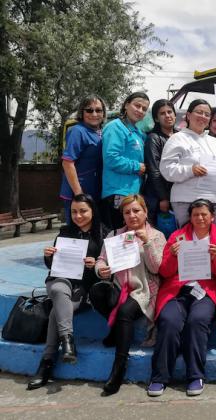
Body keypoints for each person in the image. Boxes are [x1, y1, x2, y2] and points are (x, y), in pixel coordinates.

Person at [147, 199, 216, 397]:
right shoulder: (177, 237)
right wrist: (173, 256)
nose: (200, 218)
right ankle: (160, 377)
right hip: (178, 290)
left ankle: (195, 376)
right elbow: (165, 272)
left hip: (207, 291)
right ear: (190, 218)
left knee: (197, 320)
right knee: (169, 321)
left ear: (212, 217)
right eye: (195, 215)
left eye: (204, 214)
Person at [27, 194, 109, 390]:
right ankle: (67, 341)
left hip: (82, 288)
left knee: (58, 310)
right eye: (74, 211)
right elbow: (53, 265)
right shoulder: (64, 232)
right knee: (57, 288)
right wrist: (48, 256)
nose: (78, 216)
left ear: (92, 211)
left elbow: (106, 269)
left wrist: (95, 264)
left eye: (83, 211)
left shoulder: (103, 234)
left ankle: (46, 363)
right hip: (61, 280)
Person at [90, 194, 165, 395]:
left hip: (143, 290)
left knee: (125, 311)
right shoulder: (114, 235)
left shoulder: (157, 236)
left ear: (145, 212)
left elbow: (158, 268)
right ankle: (116, 330)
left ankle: (119, 368)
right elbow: (100, 260)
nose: (132, 215)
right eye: (127, 212)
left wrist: (147, 242)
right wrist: (102, 269)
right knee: (97, 292)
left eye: (136, 210)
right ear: (122, 215)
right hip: (118, 288)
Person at [159, 99, 216, 240]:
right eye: (199, 112)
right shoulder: (177, 138)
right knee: (192, 245)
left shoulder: (215, 142)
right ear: (188, 115)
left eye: (207, 114)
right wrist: (190, 170)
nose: (203, 117)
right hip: (187, 200)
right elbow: (166, 169)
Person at [101, 92, 150, 229]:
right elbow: (111, 158)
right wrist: (137, 167)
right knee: (118, 239)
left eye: (144, 109)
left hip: (133, 193)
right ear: (126, 105)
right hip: (118, 192)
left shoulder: (138, 132)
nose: (140, 111)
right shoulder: (115, 127)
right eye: (137, 105)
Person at [59, 95, 106, 223]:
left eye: (98, 110)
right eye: (89, 110)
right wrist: (79, 194)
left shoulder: (101, 132)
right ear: (82, 112)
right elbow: (67, 163)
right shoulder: (77, 131)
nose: (94, 114)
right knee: (77, 235)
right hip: (78, 193)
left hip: (94, 191)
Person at [144, 99, 177, 225]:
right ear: (156, 119)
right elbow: (154, 170)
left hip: (179, 194)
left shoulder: (181, 136)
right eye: (162, 113)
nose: (167, 115)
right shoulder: (153, 138)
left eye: (170, 112)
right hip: (159, 197)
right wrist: (163, 198)